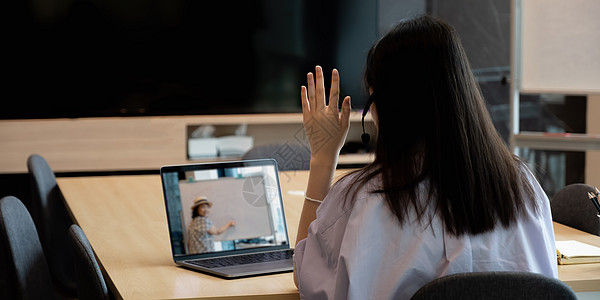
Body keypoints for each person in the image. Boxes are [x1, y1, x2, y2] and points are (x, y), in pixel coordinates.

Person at [293, 14, 557, 299]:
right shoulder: (524, 189)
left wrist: (322, 157)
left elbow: (304, 272)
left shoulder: (360, 200)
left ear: (387, 107)